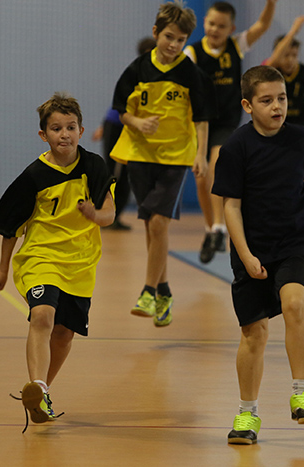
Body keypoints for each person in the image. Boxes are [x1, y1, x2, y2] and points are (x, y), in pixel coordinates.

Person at [213, 66, 304, 445]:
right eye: (266, 100)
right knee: (254, 333)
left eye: (281, 98)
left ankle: (302, 392)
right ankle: (247, 413)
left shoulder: (303, 139)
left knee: (295, 304)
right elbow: (231, 206)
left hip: (294, 242)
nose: (277, 106)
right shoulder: (236, 147)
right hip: (252, 248)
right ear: (248, 105)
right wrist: (245, 254)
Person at [0, 93, 115, 430]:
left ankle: (41, 395)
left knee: (64, 334)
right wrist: (2, 268)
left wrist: (95, 214)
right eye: (56, 129)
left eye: (71, 127)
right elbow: (11, 226)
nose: (64, 134)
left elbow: (110, 214)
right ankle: (39, 386)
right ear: (43, 135)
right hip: (41, 257)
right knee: (43, 315)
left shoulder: (94, 167)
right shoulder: (33, 176)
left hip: (81, 263)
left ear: (81, 131)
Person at [110, 1, 214, 327]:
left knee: (158, 224)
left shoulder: (191, 74)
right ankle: (165, 292)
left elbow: (201, 119)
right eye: (169, 37)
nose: (173, 44)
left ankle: (148, 291)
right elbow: (120, 110)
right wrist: (137, 123)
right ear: (156, 33)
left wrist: (200, 155)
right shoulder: (137, 69)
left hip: (175, 157)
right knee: (151, 226)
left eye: (181, 40)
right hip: (140, 154)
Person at [183, 0, 278, 264]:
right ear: (204, 23)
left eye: (221, 26)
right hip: (199, 123)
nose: (215, 29)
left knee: (216, 165)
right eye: (211, 23)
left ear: (231, 29)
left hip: (225, 122)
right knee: (201, 178)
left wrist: (271, 4)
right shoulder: (192, 53)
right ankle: (210, 229)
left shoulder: (236, 46)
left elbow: (263, 25)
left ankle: (220, 228)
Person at [92, 37, 158, 230]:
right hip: (117, 125)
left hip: (131, 128)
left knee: (128, 174)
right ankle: (100, 214)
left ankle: (114, 216)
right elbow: (120, 104)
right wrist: (104, 126)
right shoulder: (137, 72)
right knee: (113, 173)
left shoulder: (157, 76)